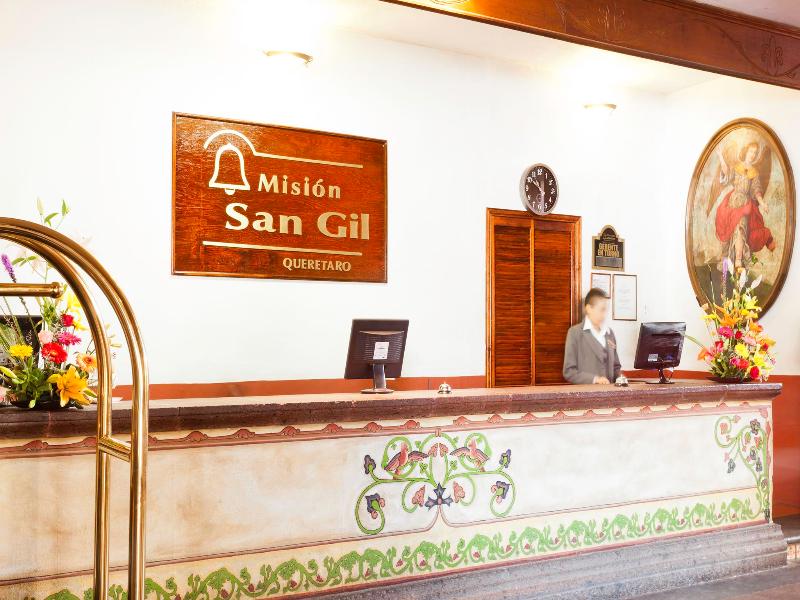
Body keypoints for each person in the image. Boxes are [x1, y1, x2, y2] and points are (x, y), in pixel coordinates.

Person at [562, 288, 621, 385]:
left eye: (606, 310)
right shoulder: (574, 333)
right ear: (589, 309)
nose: (604, 315)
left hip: (609, 393)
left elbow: (616, 367)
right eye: (602, 310)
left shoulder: (609, 333)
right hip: (586, 393)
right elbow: (569, 371)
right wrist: (595, 379)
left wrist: (620, 378)